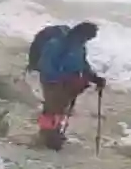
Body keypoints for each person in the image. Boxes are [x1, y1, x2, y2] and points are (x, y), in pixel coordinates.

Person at [34, 21, 106, 150]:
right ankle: (46, 136)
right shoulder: (56, 44)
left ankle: (54, 133)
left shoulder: (79, 47)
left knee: (61, 108)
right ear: (81, 33)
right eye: (88, 37)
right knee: (51, 109)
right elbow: (45, 65)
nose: (87, 40)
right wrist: (61, 79)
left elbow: (83, 66)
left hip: (67, 83)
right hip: (52, 82)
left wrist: (94, 78)